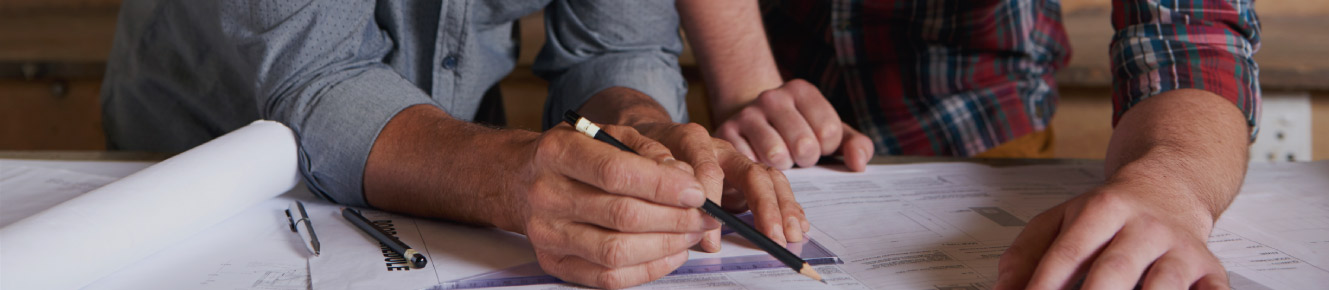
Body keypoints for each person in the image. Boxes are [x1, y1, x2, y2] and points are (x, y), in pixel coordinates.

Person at [100, 0, 810, 288]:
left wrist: (638, 126)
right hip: (201, 186)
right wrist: (513, 176)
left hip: (451, 176)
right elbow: (313, 78)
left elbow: (613, 49)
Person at [679, 0, 1259, 289]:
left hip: (988, 130)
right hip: (759, 125)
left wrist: (1168, 184)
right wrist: (747, 85)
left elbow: (1192, 31)